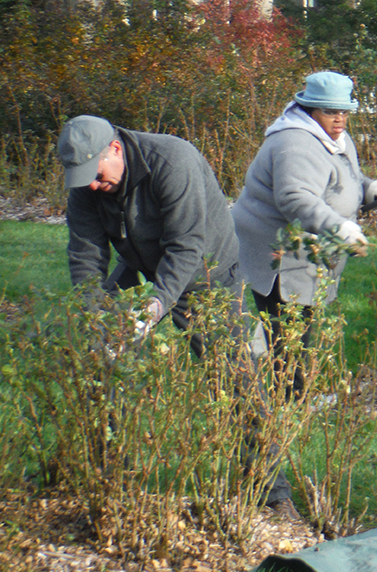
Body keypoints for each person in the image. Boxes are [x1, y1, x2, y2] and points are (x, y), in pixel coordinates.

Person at [57, 115, 299, 520]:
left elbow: (187, 247)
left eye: (97, 176)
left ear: (114, 149)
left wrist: (154, 307)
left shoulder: (172, 160)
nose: (93, 186)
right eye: (85, 180)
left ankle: (273, 494)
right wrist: (94, 316)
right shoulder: (87, 183)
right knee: (95, 359)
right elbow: (85, 253)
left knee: (236, 377)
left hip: (208, 276)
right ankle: (102, 480)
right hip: (141, 265)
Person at [232, 71, 377, 399]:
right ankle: (290, 402)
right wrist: (341, 227)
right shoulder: (297, 142)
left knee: (295, 321)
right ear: (310, 110)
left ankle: (278, 382)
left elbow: (347, 178)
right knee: (289, 326)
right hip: (278, 249)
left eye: (344, 112)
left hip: (306, 248)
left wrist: (369, 189)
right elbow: (295, 199)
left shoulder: (334, 137)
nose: (340, 119)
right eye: (331, 112)